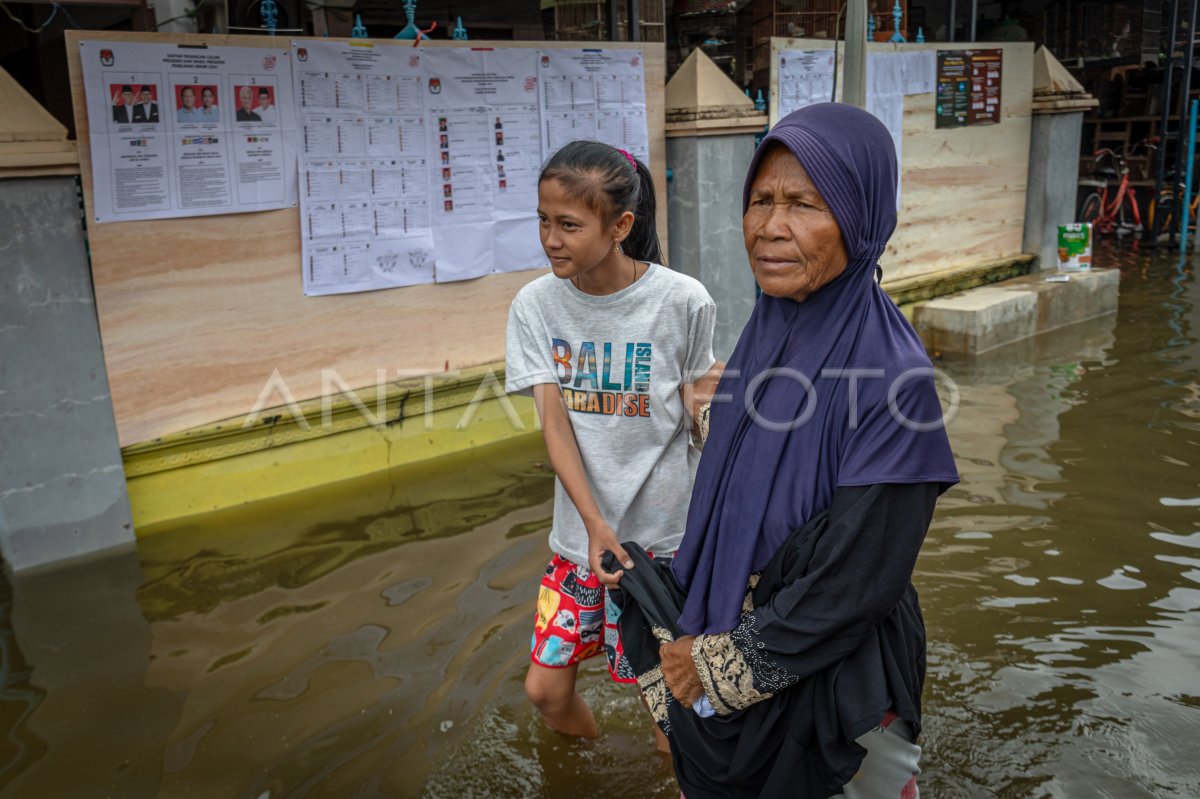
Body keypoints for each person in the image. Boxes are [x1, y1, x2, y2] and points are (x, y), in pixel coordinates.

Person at [611, 103, 960, 798]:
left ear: (859, 217)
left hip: (834, 697)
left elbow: (858, 578)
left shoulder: (896, 381)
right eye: (761, 200)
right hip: (717, 652)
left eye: (804, 202)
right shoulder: (766, 338)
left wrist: (711, 667)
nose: (771, 226)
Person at [505, 141, 723, 755]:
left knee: (668, 720)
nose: (551, 239)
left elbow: (691, 417)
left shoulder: (682, 300)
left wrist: (717, 410)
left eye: (569, 225)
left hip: (665, 548)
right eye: (544, 221)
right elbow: (556, 428)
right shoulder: (535, 306)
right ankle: (595, 764)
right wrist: (596, 526)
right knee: (546, 692)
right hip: (581, 544)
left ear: (621, 225)